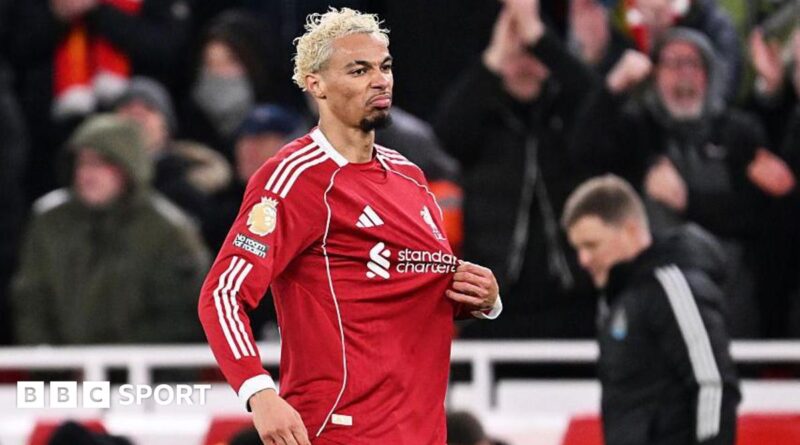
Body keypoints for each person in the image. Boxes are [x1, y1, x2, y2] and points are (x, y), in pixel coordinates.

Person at [197, 8, 502, 445]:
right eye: (359, 70)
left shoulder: (412, 178)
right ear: (316, 85)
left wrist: (484, 299)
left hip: (421, 433)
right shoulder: (294, 178)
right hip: (337, 432)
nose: (380, 80)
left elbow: (412, 288)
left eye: (385, 67)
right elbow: (223, 293)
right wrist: (258, 391)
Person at [571, 28, 795, 336]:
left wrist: (688, 201)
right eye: (672, 63)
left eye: (692, 63)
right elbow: (582, 150)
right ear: (655, 75)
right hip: (653, 309)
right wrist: (613, 87)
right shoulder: (638, 131)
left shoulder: (739, 132)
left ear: (709, 74)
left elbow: (758, 213)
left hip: (732, 309)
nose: (683, 74)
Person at [434, 0, 597, 338]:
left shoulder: (570, 114)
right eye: (515, 53)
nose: (525, 64)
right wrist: (495, 54)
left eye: (533, 53)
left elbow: (600, 102)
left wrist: (538, 36)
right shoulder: (482, 116)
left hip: (571, 298)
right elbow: (447, 132)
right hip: (494, 300)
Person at [562, 174, 740, 445]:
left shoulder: (672, 285)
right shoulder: (622, 298)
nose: (583, 260)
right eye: (578, 249)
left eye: (591, 245)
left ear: (630, 231)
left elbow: (712, 384)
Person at [13, 114, 209, 344]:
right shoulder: (50, 221)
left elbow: (180, 314)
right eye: (82, 162)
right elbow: (31, 300)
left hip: (145, 364)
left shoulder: (168, 230)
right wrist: (49, 357)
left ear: (128, 166)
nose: (87, 174)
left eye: (100, 163)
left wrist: (118, 358)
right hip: (62, 364)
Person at [115, 76, 233, 248]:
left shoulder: (191, 186)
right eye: (127, 108)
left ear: (166, 127)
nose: (137, 116)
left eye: (149, 108)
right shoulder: (87, 181)